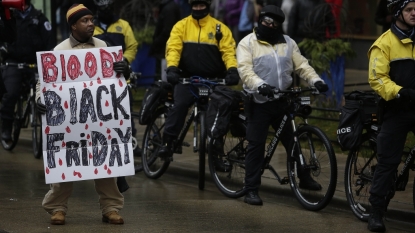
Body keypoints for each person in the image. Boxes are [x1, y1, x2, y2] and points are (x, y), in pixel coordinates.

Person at [35, 4, 130, 225]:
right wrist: (40, 98)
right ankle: (57, 208)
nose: (91, 24)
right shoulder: (59, 51)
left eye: (91, 19)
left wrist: (126, 70)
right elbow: (44, 82)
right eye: (85, 21)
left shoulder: (104, 46)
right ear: (73, 25)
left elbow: (116, 82)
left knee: (106, 161)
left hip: (98, 118)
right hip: (68, 120)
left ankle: (111, 208)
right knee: (64, 165)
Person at [236, 5, 329, 205]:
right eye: (266, 21)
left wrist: (316, 81)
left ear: (279, 25)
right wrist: (260, 85)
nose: (269, 25)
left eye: (274, 23)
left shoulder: (288, 43)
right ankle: (251, 189)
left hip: (281, 101)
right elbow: (245, 71)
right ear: (260, 21)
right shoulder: (247, 43)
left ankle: (303, 178)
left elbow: (302, 65)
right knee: (256, 145)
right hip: (258, 101)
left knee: (292, 140)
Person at [156, 0, 240, 160]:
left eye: (201, 6)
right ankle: (167, 143)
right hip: (187, 79)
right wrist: (172, 68)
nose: (198, 9)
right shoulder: (181, 26)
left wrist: (232, 70)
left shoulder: (220, 28)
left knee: (218, 112)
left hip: (213, 81)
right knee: (179, 106)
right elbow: (173, 48)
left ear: (207, 7)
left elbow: (228, 51)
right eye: (195, 6)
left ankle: (216, 154)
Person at [367, 0, 415, 231]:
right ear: (397, 13)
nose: (414, 13)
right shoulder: (384, 42)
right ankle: (376, 212)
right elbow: (377, 79)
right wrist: (400, 92)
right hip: (396, 110)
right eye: (409, 10)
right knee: (388, 162)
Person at [92, 0, 138, 194]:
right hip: (94, 86)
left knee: (125, 125)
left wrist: (123, 62)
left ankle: (125, 161)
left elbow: (132, 46)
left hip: (119, 83)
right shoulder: (90, 27)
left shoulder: (123, 25)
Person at [0, 0, 54, 141]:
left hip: (35, 63)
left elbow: (50, 43)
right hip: (14, 62)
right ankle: (6, 126)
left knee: (47, 94)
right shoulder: (8, 15)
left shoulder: (40, 18)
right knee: (10, 92)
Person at [148, 0, 181, 82]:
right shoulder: (168, 6)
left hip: (167, 49)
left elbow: (167, 30)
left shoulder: (169, 8)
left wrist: (156, 42)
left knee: (165, 79)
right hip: (165, 49)